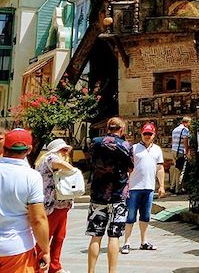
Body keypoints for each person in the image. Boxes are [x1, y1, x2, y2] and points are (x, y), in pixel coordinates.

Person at [86, 117, 134, 273]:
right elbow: (130, 168)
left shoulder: (95, 142)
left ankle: (91, 271)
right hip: (118, 195)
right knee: (114, 236)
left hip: (98, 195)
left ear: (107, 128)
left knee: (95, 236)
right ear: (122, 129)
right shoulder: (126, 145)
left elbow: (91, 163)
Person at [0, 128, 50, 272]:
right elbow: (38, 219)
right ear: (29, 149)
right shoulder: (31, 176)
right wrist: (45, 250)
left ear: (4, 147)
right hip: (16, 247)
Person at [121, 123, 165, 254]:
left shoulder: (157, 149)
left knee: (145, 216)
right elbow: (127, 167)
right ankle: (126, 242)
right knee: (130, 216)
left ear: (154, 135)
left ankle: (144, 241)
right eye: (145, 133)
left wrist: (161, 185)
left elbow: (160, 168)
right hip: (134, 187)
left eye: (149, 134)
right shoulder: (133, 148)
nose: (147, 136)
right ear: (141, 133)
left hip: (149, 187)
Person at [35, 138, 77, 273]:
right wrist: (74, 171)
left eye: (67, 150)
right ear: (56, 150)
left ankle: (55, 266)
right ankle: (37, 266)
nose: (66, 152)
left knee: (59, 237)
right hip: (51, 206)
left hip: (62, 205)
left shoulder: (60, 160)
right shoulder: (49, 157)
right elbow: (56, 162)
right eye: (63, 150)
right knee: (44, 238)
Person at [170, 117, 191, 193]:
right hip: (180, 151)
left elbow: (173, 141)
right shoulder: (185, 130)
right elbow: (185, 141)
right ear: (186, 122)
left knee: (176, 169)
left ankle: (172, 187)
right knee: (179, 170)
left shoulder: (175, 129)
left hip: (174, 150)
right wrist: (187, 151)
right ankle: (177, 189)